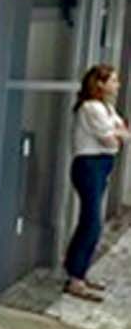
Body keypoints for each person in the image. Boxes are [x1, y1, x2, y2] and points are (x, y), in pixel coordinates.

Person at [63, 63, 128, 301]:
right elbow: (110, 141)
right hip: (89, 166)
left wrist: (118, 135)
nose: (117, 85)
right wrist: (117, 136)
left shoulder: (107, 108)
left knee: (88, 222)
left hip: (101, 166)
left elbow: (123, 132)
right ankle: (75, 278)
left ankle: (77, 271)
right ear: (100, 84)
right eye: (113, 80)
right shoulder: (91, 108)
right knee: (92, 224)